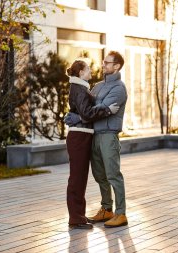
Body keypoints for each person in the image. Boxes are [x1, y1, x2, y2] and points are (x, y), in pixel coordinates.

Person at [65, 51, 128, 228]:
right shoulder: (98, 86)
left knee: (113, 175)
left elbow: (102, 108)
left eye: (107, 63)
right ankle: (106, 209)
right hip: (93, 135)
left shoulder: (119, 88)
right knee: (99, 175)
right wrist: (75, 114)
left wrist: (78, 118)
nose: (103, 65)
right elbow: (85, 107)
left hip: (108, 135)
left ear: (116, 66)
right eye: (103, 61)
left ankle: (121, 213)